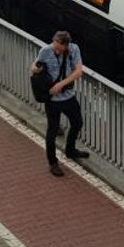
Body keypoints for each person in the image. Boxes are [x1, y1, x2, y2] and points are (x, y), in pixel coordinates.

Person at [32, 30, 87, 177]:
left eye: (59, 49)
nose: (56, 51)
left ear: (66, 46)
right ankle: (53, 163)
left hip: (68, 96)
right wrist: (36, 68)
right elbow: (34, 67)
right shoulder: (45, 51)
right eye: (55, 47)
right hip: (52, 100)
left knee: (77, 123)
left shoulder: (74, 49)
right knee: (52, 130)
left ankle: (70, 150)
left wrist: (61, 84)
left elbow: (79, 72)